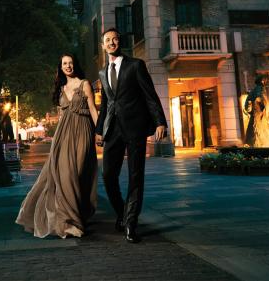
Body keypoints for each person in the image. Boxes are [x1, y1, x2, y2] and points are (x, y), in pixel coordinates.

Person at [96, 27, 167, 244]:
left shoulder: (136, 65)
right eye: (107, 40)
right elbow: (106, 104)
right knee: (108, 175)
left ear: (119, 42)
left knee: (136, 176)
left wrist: (160, 122)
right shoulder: (102, 72)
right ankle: (122, 213)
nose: (111, 43)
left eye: (115, 39)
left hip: (135, 128)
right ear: (103, 46)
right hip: (113, 130)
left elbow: (150, 95)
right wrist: (99, 130)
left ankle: (131, 223)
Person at [15, 54, 99, 238]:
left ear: (75, 65)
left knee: (79, 173)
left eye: (70, 63)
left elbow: (93, 109)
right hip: (63, 135)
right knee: (65, 175)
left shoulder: (84, 84)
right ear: (60, 68)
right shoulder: (61, 89)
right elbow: (62, 115)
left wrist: (100, 132)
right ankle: (69, 221)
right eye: (64, 64)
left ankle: (79, 214)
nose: (68, 66)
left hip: (83, 131)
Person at [244, 75, 267, 147]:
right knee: (254, 125)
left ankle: (252, 142)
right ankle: (251, 142)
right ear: (262, 81)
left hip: (254, 109)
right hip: (255, 109)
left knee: (254, 125)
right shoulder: (259, 88)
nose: (265, 81)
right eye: (265, 79)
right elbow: (258, 99)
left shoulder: (258, 88)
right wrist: (260, 110)